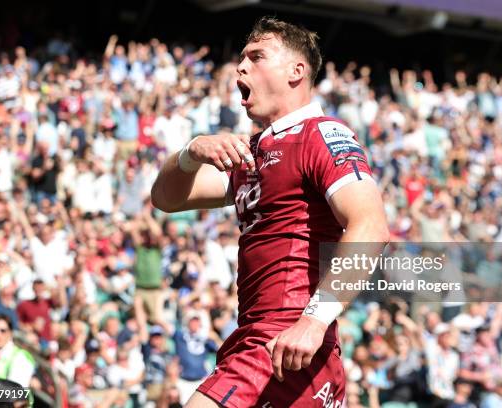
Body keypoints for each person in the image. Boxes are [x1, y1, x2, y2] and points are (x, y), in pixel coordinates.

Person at [151, 16, 389, 407]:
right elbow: (166, 198)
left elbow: (371, 226)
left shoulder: (322, 134)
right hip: (269, 342)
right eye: (242, 59)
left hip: (286, 338)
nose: (240, 67)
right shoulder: (251, 153)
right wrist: (190, 154)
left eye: (256, 57)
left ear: (297, 71)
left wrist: (314, 321)